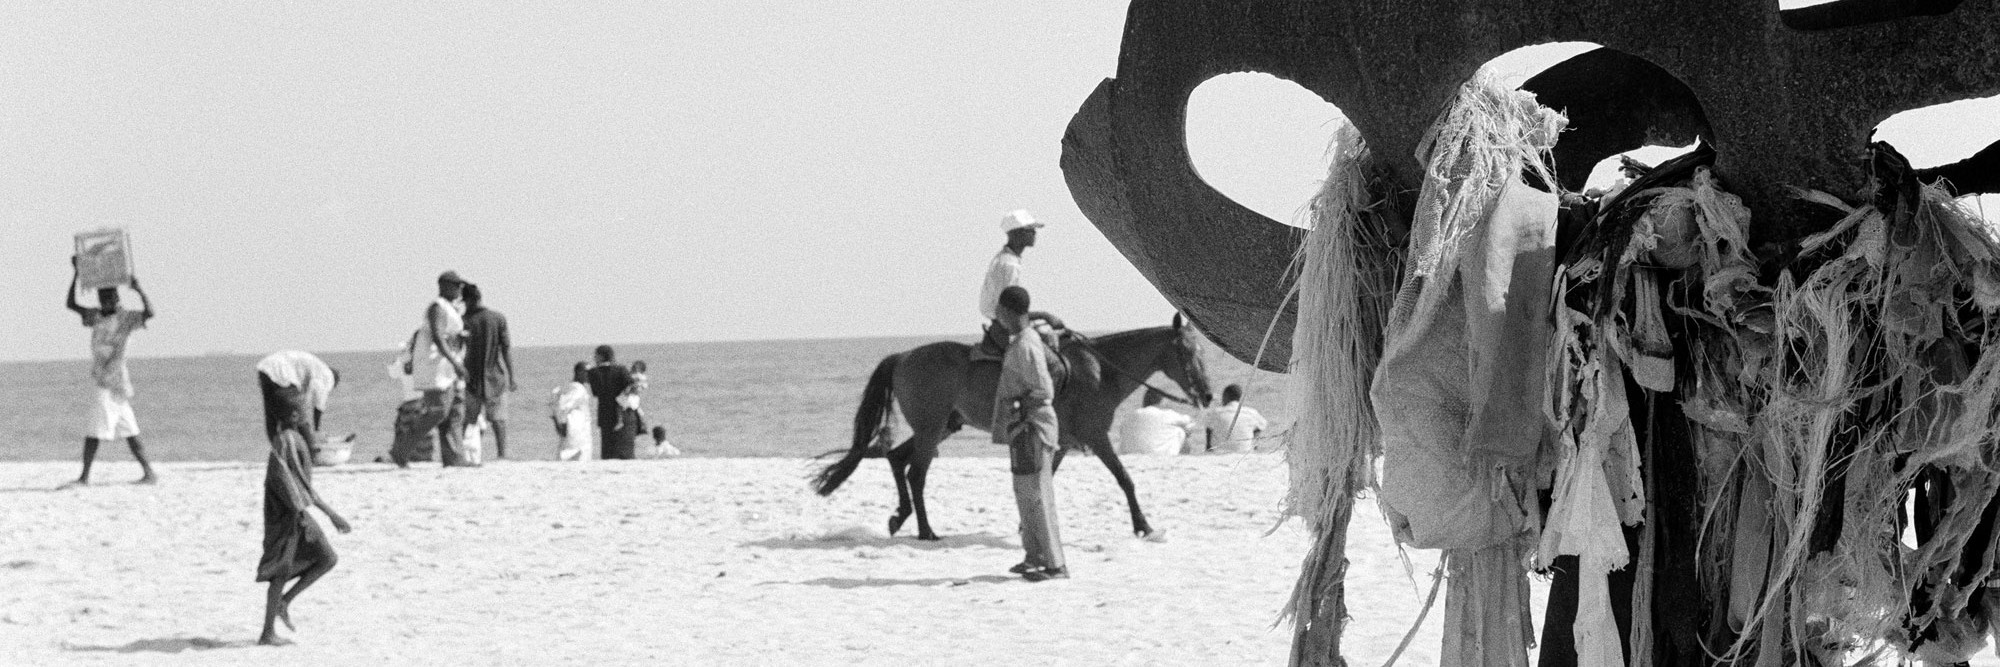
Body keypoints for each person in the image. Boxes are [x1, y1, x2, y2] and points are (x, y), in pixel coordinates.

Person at [253, 350, 352, 645]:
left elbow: (300, 484)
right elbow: (296, 487)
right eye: (303, 411)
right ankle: (267, 632)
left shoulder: (291, 440)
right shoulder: (287, 443)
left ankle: (285, 603)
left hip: (296, 514)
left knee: (327, 559)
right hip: (287, 517)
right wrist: (332, 514)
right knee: (280, 572)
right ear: (295, 414)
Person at [61, 259, 158, 487]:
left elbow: (150, 313)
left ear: (117, 299)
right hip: (109, 380)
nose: (106, 301)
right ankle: (149, 472)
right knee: (130, 429)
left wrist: (139, 288)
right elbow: (71, 304)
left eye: (110, 298)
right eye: (103, 298)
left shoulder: (125, 319)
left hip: (112, 383)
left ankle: (84, 477)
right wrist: (76, 274)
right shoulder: (95, 316)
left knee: (96, 429)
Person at [993, 286, 1067, 581]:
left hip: (1033, 425)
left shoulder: (1026, 345)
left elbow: (1043, 389)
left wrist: (1020, 405)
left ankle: (1055, 564)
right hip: (1022, 426)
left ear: (1008, 312)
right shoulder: (1020, 341)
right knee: (1025, 494)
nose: (997, 316)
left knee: (1038, 495)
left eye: (999, 311)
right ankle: (1033, 556)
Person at [399, 271, 472, 467]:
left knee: (455, 413)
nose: (459, 290)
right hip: (437, 368)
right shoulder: (438, 308)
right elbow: (438, 338)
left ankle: (455, 457)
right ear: (444, 286)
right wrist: (456, 363)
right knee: (438, 411)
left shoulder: (451, 308)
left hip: (449, 367)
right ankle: (400, 450)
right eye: (456, 286)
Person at [975, 210, 1044, 359]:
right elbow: (1008, 310)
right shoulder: (1009, 264)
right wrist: (1044, 315)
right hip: (1005, 326)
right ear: (1016, 233)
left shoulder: (1005, 258)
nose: (1034, 234)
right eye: (1030, 230)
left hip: (1003, 322)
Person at [460, 284, 516, 460]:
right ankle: (502, 454)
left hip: (472, 377)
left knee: (466, 419)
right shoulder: (498, 318)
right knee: (498, 420)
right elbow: (506, 349)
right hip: (494, 377)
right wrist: (511, 375)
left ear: (468, 300)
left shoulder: (464, 321)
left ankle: (456, 453)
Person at [586, 345, 636, 460]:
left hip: (604, 411)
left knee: (607, 447)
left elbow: (595, 393)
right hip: (622, 411)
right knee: (624, 445)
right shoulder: (621, 370)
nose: (594, 358)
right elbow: (632, 386)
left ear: (601, 356)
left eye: (596, 355)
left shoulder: (593, 373)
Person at [1117, 389, 1194, 456]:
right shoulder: (1167, 414)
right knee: (1180, 431)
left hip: (1128, 454)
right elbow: (1189, 422)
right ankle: (1183, 457)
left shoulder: (1130, 416)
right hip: (1161, 454)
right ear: (1161, 401)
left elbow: (1121, 431)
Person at [1201, 384, 1269, 453]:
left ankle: (1210, 450)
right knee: (1256, 427)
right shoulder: (1251, 412)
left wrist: (1208, 448)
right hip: (1244, 452)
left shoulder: (1215, 413)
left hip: (1219, 452)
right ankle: (1251, 447)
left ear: (1225, 396)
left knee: (1210, 427)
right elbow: (1262, 425)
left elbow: (1207, 426)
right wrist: (1254, 443)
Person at [549, 362, 594, 461]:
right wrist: (562, 425)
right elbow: (564, 407)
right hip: (576, 432)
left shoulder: (575, 387)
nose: (590, 375)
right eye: (587, 372)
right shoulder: (578, 389)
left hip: (577, 430)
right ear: (579, 372)